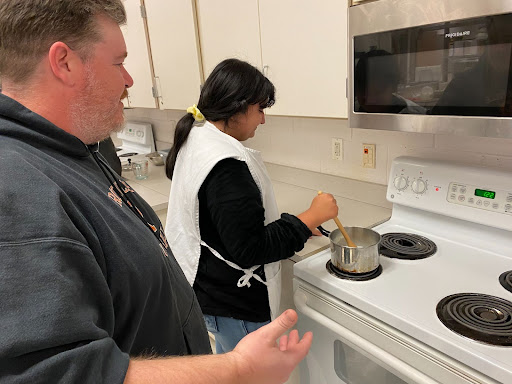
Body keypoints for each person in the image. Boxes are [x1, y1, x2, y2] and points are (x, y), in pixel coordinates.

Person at [0, 1, 312, 383]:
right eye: (118, 62)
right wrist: (237, 368)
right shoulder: (17, 188)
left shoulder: (73, 149)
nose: (129, 80)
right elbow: (60, 374)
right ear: (63, 62)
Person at [165, 58, 339, 354]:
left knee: (230, 369)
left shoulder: (198, 138)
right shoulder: (226, 166)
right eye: (260, 109)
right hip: (235, 303)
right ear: (237, 106)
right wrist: (312, 214)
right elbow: (249, 249)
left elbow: (227, 224)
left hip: (210, 290)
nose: (263, 119)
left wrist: (300, 225)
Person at [354, 49, 426, 114]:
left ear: (394, 87)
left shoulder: (413, 114)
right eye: (362, 92)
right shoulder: (354, 108)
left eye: (377, 92)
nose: (369, 99)